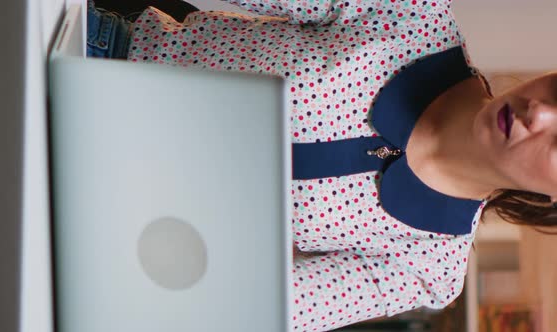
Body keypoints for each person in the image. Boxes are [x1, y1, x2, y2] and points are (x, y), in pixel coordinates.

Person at [87, 0, 557, 330]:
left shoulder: (429, 265)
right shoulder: (413, 14)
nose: (538, 112)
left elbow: (257, 308)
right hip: (98, 61)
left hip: (104, 215)